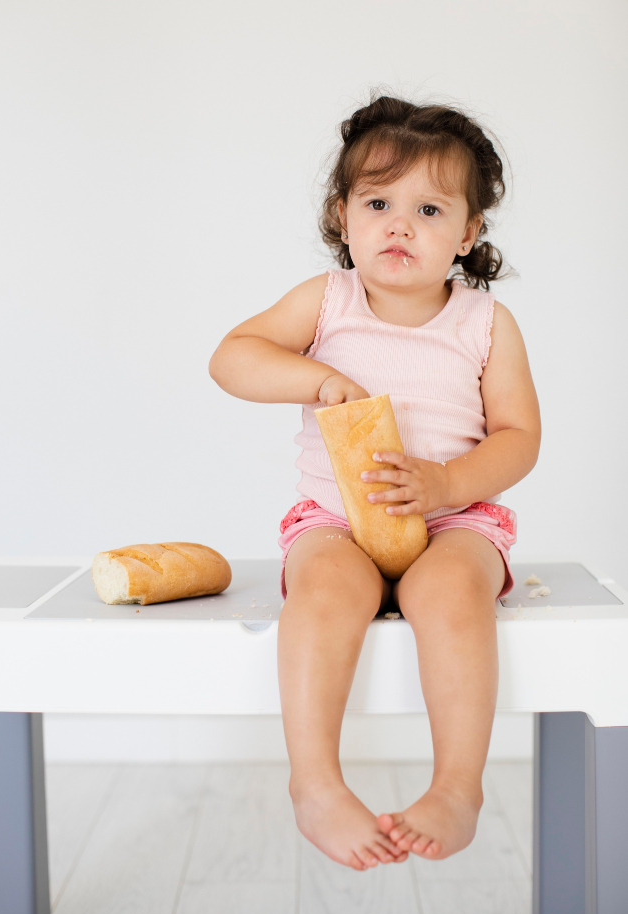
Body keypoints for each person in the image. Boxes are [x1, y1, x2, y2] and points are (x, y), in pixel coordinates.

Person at [208, 94, 540, 872]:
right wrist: (314, 378)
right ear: (342, 216)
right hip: (336, 520)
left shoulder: (483, 322)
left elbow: (519, 438)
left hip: (453, 520)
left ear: (467, 234)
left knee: (450, 593)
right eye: (378, 203)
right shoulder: (327, 303)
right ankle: (315, 784)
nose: (399, 226)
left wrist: (447, 481)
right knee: (325, 590)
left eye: (428, 209)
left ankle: (457, 787)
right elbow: (231, 358)